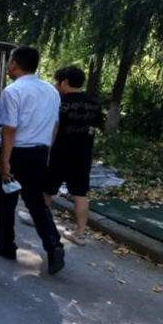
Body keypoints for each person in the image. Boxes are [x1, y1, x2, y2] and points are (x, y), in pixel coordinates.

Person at [0, 46, 65, 275]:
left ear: (15, 64)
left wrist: (5, 161)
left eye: (10, 62)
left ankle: (6, 245)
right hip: (39, 153)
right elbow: (55, 125)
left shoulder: (13, 91)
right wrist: (46, 152)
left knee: (6, 201)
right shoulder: (51, 91)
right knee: (36, 202)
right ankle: (53, 244)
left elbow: (9, 128)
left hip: (16, 152)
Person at [43, 66, 103, 246]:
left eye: (57, 81)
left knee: (47, 189)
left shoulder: (59, 102)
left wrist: (47, 150)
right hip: (83, 153)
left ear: (65, 82)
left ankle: (42, 222)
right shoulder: (94, 103)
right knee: (80, 193)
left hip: (59, 152)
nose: (56, 85)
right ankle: (80, 233)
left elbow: (54, 128)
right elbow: (97, 127)